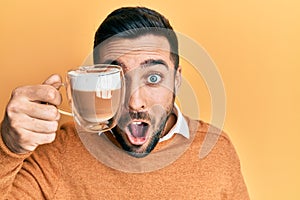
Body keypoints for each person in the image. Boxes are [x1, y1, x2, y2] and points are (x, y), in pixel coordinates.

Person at [0, 6, 249, 199]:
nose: (134, 102)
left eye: (153, 77)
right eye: (116, 77)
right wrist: (7, 148)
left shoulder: (217, 152)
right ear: (96, 80)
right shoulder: (58, 155)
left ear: (176, 80)